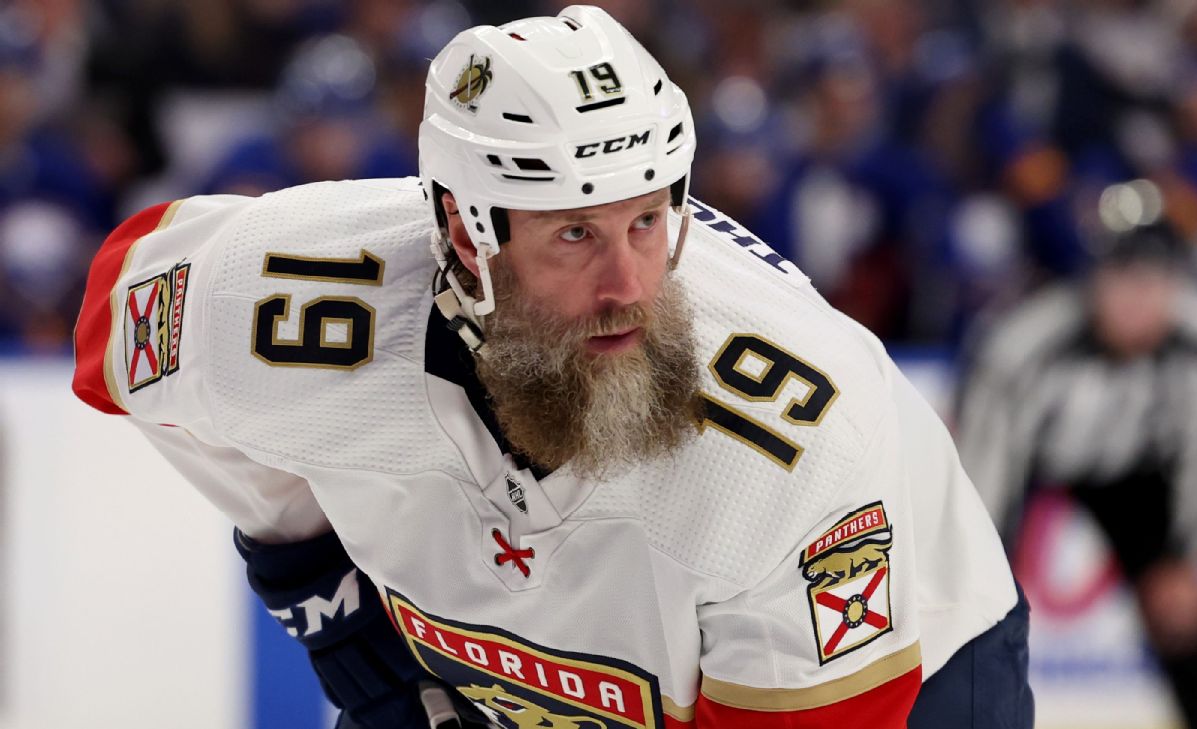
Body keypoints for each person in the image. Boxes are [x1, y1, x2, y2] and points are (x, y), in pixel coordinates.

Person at [72, 7, 1030, 728]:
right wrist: (317, 580)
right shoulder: (285, 291)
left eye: (647, 221)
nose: (628, 285)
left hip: (914, 658)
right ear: (462, 229)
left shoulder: (793, 447)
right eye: (575, 231)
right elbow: (119, 319)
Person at [956, 180, 1197, 729]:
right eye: (1119, 278)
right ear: (1091, 280)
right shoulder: (1019, 349)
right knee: (976, 615)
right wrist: (984, 563)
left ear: (1177, 283)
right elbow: (985, 469)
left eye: (1152, 280)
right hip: (1024, 464)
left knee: (1183, 613)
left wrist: (1190, 557)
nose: (1134, 298)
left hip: (1139, 471)